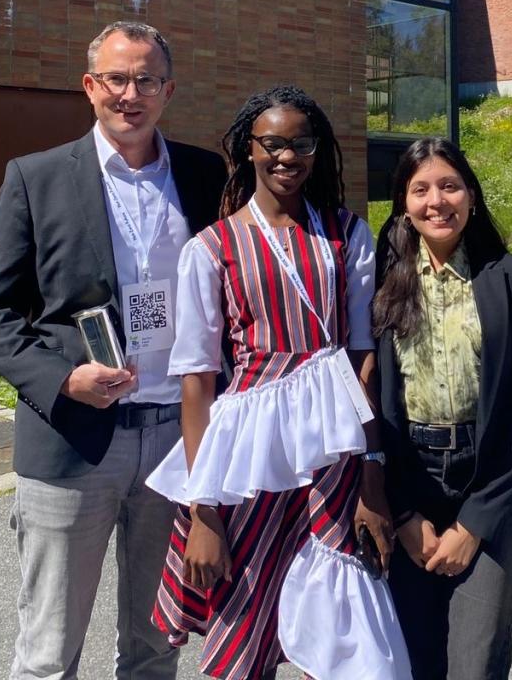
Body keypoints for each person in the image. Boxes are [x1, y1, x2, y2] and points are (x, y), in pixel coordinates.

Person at [0, 21, 227, 679]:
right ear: (90, 86)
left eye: (145, 79)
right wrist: (63, 380)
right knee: (49, 653)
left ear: (168, 89)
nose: (129, 93)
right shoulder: (36, 178)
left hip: (176, 442)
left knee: (157, 643)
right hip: (72, 441)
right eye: (116, 78)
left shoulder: (204, 175)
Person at [144, 85, 410, 680]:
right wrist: (204, 511)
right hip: (249, 457)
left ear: (317, 152)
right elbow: (197, 385)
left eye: (302, 143)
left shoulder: (347, 234)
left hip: (336, 454)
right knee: (247, 615)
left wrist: (372, 475)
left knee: (339, 624)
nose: (288, 157)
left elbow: (363, 357)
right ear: (247, 149)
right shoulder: (211, 248)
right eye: (273, 144)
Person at [373, 136, 512, 679]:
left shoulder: (508, 275)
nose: (436, 201)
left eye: (449, 186)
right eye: (420, 189)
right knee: (415, 657)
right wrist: (400, 511)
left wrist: (476, 522)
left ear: (471, 194)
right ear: (403, 201)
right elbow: (376, 403)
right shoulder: (383, 280)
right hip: (411, 480)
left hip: (486, 482)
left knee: (477, 661)